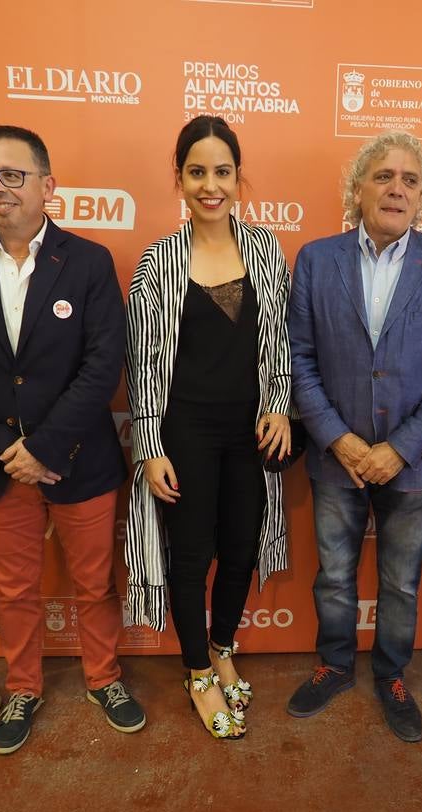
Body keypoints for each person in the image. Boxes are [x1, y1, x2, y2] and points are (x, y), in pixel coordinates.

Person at [0, 125, 143, 755]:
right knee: (16, 590)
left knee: (96, 582)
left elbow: (105, 364)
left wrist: (45, 447)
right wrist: (3, 449)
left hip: (81, 458)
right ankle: (24, 684)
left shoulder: (89, 261)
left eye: (12, 174)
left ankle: (105, 677)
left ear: (47, 185)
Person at [287, 131, 422, 743]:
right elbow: (298, 360)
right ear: (358, 188)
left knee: (400, 582)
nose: (396, 188)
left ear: (421, 197)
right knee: (335, 575)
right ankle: (334, 665)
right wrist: (340, 440)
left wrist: (399, 448)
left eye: (410, 180)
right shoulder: (317, 259)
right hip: (333, 455)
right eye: (383, 176)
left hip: (412, 464)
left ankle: (393, 675)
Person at [125, 115, 292, 740]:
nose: (210, 184)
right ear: (180, 179)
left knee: (242, 549)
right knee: (191, 556)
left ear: (238, 178)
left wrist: (277, 403)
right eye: (197, 172)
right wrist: (148, 446)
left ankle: (223, 646)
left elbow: (279, 341)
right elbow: (141, 361)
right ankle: (197, 671)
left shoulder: (266, 249)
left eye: (222, 171)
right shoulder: (156, 262)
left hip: (251, 432)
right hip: (185, 433)